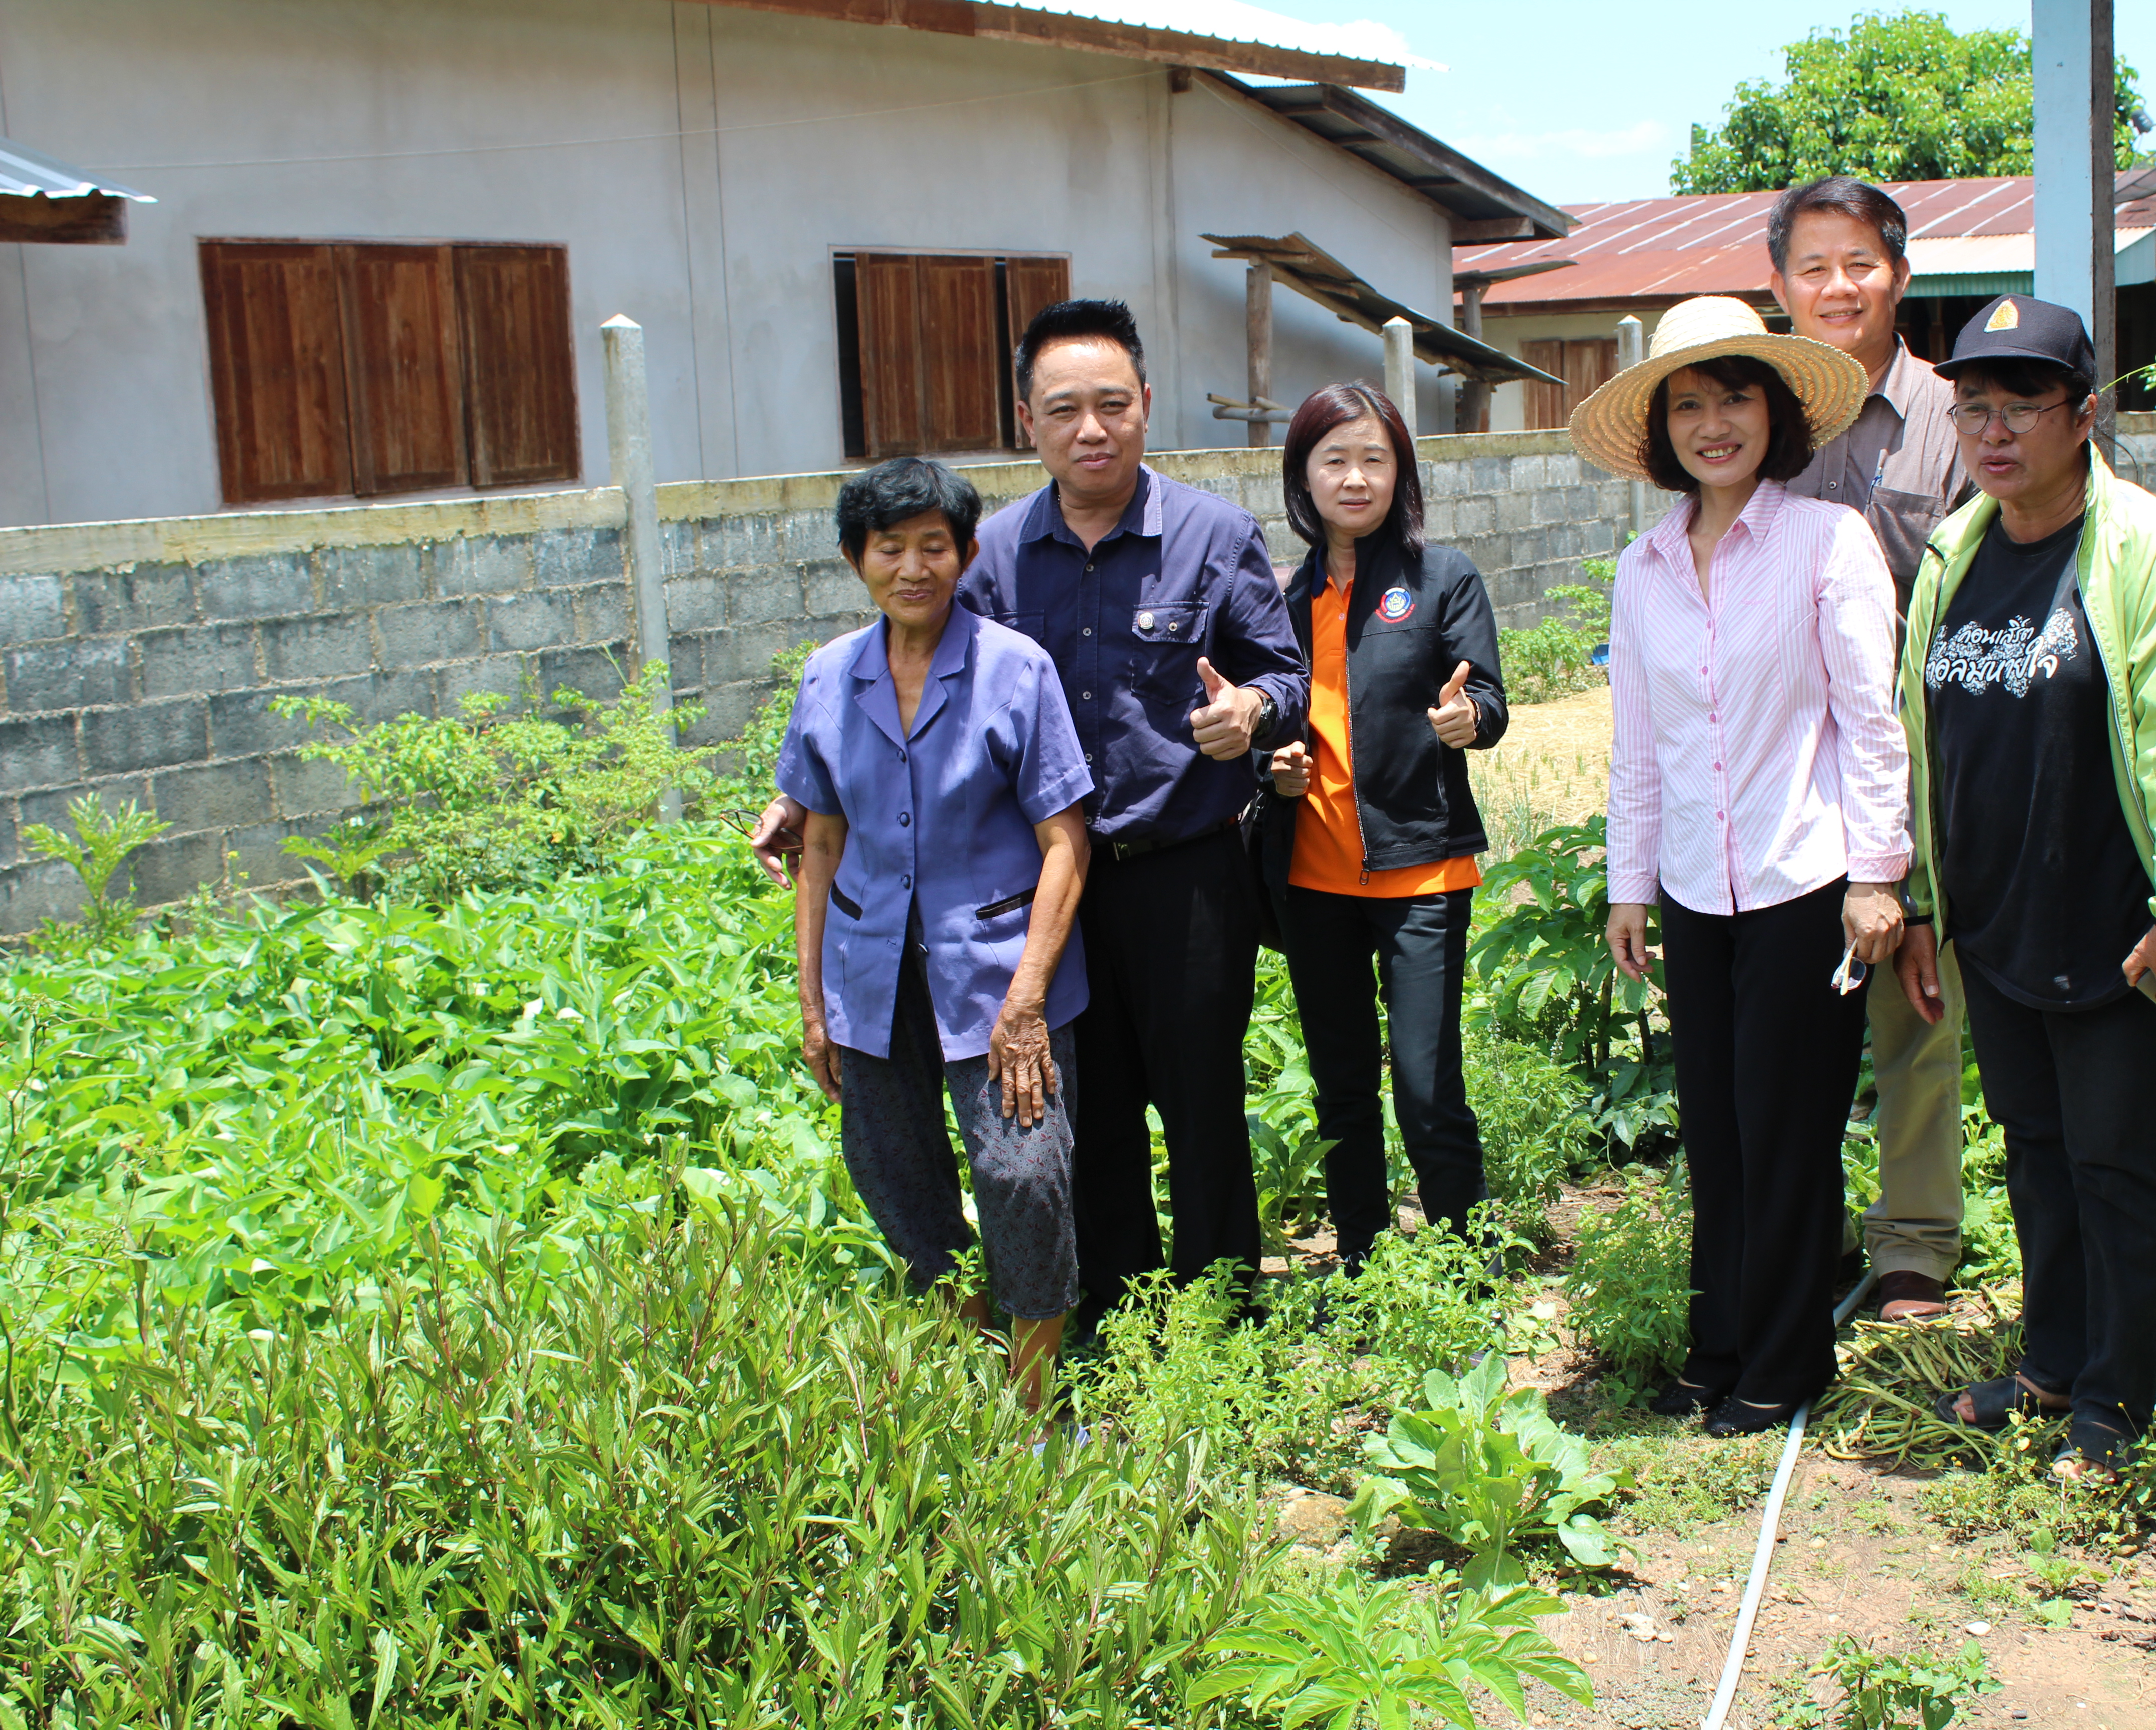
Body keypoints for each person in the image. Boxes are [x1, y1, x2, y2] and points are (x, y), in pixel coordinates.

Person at [756, 300, 1308, 1335]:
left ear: (1146, 406)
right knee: (1074, 1121)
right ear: (1028, 421)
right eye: (1064, 410)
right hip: (1043, 893)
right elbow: (901, 660)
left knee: (1201, 1105)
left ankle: (1223, 1328)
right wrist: (806, 789)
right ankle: (1108, 1322)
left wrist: (1252, 709)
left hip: (1181, 871)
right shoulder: (991, 553)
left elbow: (1285, 670)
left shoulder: (1213, 535)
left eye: (1111, 405)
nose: (1090, 429)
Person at [1893, 296, 2156, 1478]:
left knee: (2114, 1165)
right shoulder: (1956, 551)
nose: (1993, 433)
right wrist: (1927, 903)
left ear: (2085, 415)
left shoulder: (2147, 551)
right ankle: (2051, 1361)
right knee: (2035, 1151)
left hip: (2116, 930)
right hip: (1998, 923)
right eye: (1973, 409)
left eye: (2022, 407)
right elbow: (1923, 735)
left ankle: (2115, 1401)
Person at [1569, 296, 1911, 1438]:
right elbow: (1638, 745)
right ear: (1663, 429)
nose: (1715, 424)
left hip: (1804, 882)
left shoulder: (1828, 542)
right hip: (1690, 891)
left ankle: (1785, 1357)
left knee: (1788, 1127)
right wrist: (1629, 886)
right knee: (1713, 1129)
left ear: (1776, 414)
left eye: (1736, 399)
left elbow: (1872, 722)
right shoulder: (1644, 565)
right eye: (1691, 405)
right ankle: (1718, 1346)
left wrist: (1879, 875)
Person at [781, 458, 1094, 1411]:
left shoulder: (1014, 668)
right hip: (872, 974)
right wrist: (813, 1001)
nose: (911, 567)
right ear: (855, 559)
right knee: (891, 1178)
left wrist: (1029, 1000)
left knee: (1024, 1180)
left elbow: (1065, 840)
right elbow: (820, 839)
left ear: (963, 555)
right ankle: (981, 1348)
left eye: (933, 547)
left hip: (999, 978)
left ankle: (1037, 1405)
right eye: (889, 548)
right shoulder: (830, 676)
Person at [1769, 175, 1975, 1323]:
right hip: (1784, 766)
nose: (1837, 286)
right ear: (1780, 285)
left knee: (1913, 998)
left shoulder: (1957, 417)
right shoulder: (1763, 422)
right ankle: (1793, 1234)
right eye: (1813, 267)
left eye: (1859, 263)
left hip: (1920, 756)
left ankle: (1913, 1246)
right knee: (1791, 1013)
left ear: (1900, 272)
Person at [1256, 382, 1509, 1266]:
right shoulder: (1282, 596)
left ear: (1400, 470)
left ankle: (1465, 1264)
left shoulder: (1445, 577)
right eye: (1335, 459)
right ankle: (1364, 1264)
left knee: (1427, 1084)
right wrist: (1271, 766)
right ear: (1304, 476)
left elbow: (1488, 698)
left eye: (1375, 458)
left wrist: (1466, 718)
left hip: (1421, 871)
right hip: (1313, 878)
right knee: (1341, 1087)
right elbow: (1272, 717)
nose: (1355, 477)